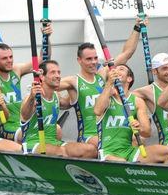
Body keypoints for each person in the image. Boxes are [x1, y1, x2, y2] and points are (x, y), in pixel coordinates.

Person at [59, 18, 144, 153]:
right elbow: (50, 84)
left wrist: (137, 27)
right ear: (79, 60)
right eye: (88, 59)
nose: (93, 62)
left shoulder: (103, 73)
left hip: (110, 133)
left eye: (95, 58)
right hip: (89, 136)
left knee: (136, 139)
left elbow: (127, 53)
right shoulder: (73, 81)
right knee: (111, 143)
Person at [17, 60, 95, 158]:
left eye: (59, 72)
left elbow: (67, 103)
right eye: (53, 72)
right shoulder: (32, 98)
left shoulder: (56, 96)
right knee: (62, 152)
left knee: (90, 150)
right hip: (34, 143)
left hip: (54, 142)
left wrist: (73, 88)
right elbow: (24, 115)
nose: (58, 76)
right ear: (42, 76)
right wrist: (32, 98)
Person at [94, 65, 168, 163]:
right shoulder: (107, 96)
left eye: (121, 69)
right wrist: (109, 83)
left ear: (129, 78)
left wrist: (138, 127)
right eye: (114, 69)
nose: (116, 71)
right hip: (108, 152)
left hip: (130, 152)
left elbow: (147, 132)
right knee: (122, 162)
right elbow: (97, 111)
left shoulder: (137, 101)